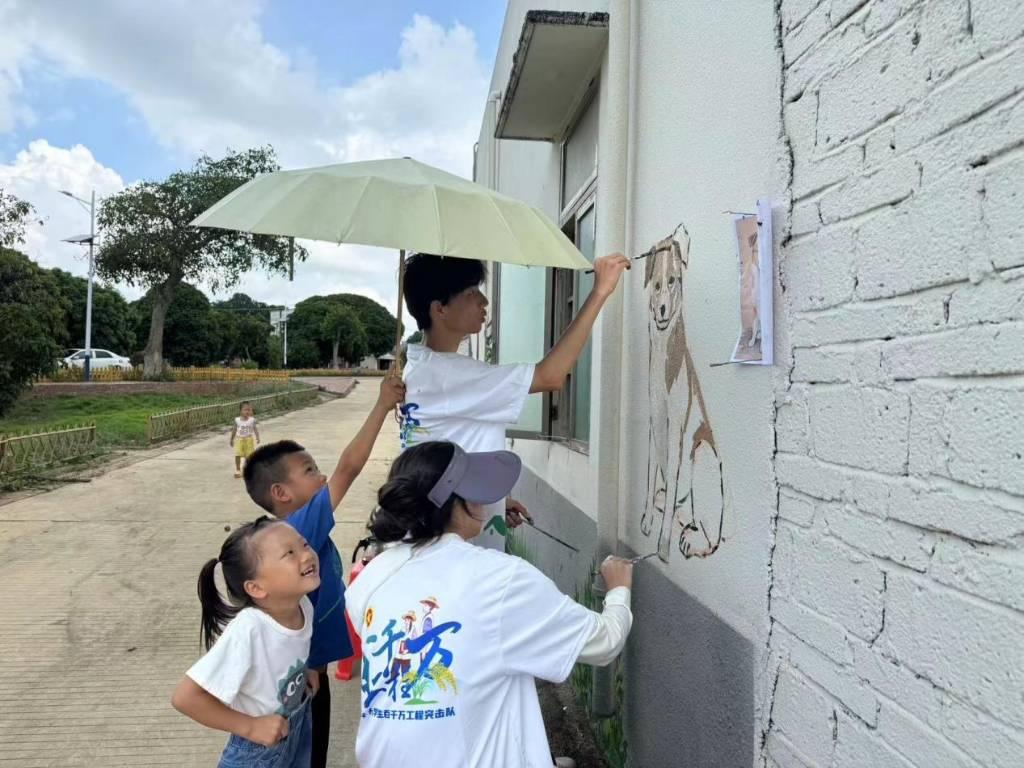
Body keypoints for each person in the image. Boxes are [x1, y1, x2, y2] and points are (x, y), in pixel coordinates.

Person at [345, 441, 634, 768]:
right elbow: (605, 642)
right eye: (474, 490)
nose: (483, 499)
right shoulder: (501, 579)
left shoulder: (374, 574)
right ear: (457, 503)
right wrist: (619, 589)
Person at [399, 251, 630, 549]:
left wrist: (495, 501)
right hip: (450, 541)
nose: (483, 302)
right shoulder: (448, 374)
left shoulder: (423, 365)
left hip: (438, 522)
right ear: (439, 308)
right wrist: (599, 292)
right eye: (471, 293)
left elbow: (450, 442)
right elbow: (550, 376)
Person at [242, 376, 406, 768]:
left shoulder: (298, 532)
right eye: (310, 469)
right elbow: (349, 468)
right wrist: (382, 405)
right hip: (299, 680)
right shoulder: (299, 528)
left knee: (313, 755)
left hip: (313, 670)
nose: (321, 476)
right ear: (281, 493)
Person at [171, 517, 321, 768]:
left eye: (304, 544)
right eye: (290, 553)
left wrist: (302, 669)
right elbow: (186, 697)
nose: (306, 556)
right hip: (258, 749)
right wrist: (250, 727)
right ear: (256, 588)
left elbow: (281, 653)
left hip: (294, 725)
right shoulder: (249, 628)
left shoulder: (302, 604)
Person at [230, 401, 260, 478]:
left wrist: (257, 437)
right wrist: (231, 439)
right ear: (240, 411)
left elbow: (255, 429)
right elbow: (234, 430)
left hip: (249, 440)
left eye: (249, 410)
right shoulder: (237, 420)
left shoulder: (252, 420)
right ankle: (238, 469)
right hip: (239, 440)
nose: (247, 411)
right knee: (237, 455)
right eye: (245, 410)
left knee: (249, 456)